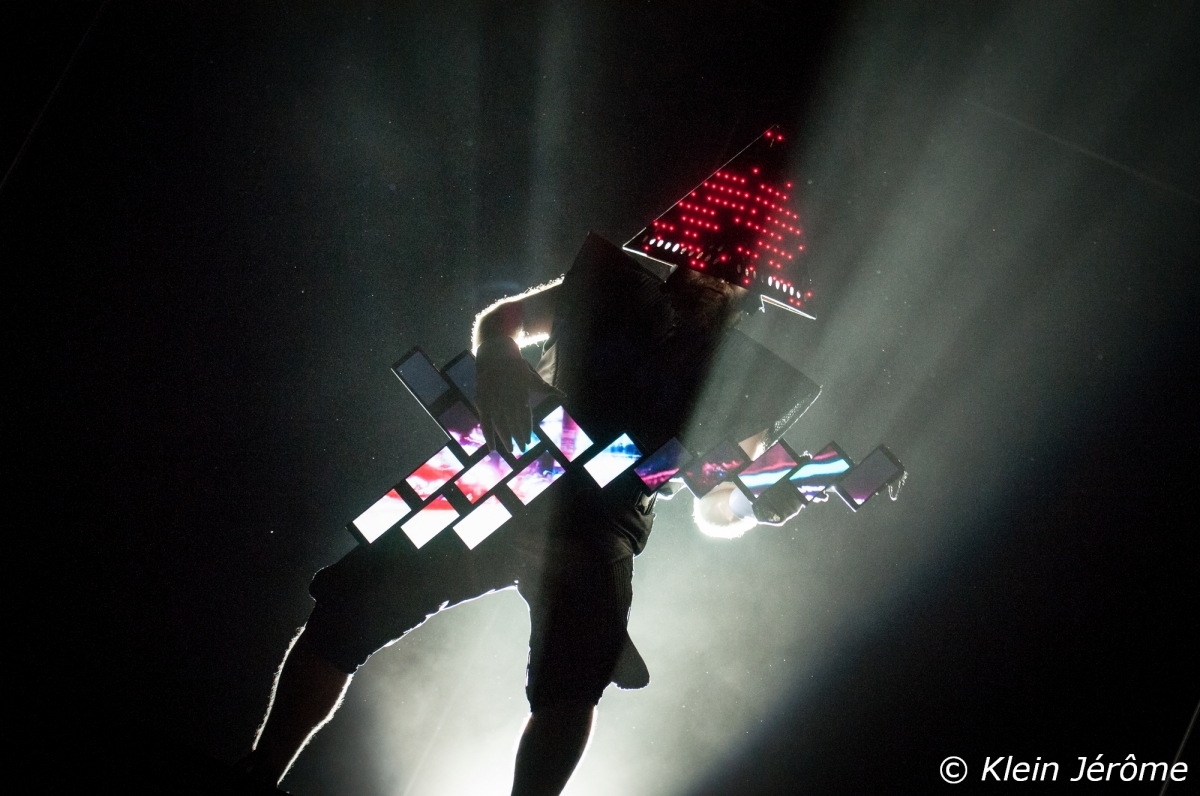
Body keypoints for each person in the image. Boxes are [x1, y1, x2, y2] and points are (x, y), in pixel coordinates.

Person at [239, 233, 807, 794]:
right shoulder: (612, 286)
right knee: (348, 607)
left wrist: (750, 504)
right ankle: (260, 773)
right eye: (714, 253)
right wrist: (499, 355)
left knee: (573, 689)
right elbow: (502, 320)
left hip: (599, 524)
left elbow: (714, 506)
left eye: (735, 266)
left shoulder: (748, 381)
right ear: (684, 248)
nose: (718, 269)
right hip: (513, 466)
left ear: (754, 290)